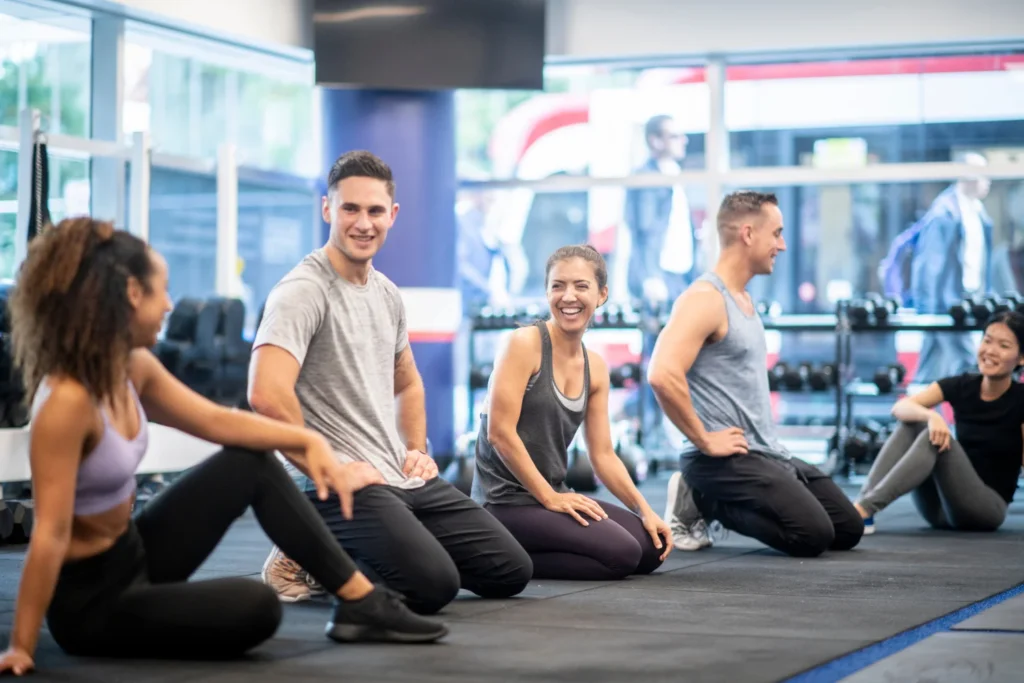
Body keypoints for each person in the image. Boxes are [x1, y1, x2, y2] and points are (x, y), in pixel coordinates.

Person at [0, 218, 448, 677]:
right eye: (162, 291)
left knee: (247, 463)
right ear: (132, 294)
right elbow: (50, 533)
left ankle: (361, 602)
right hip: (92, 603)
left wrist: (306, 439)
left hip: (134, 552)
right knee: (256, 606)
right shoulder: (66, 403)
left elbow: (220, 422)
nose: (170, 305)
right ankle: (352, 599)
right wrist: (21, 645)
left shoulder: (132, 367)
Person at [248, 150, 532, 615]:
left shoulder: (385, 293)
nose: (364, 223)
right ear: (327, 209)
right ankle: (305, 550)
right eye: (350, 209)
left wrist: (416, 450)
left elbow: (409, 384)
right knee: (432, 585)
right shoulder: (301, 292)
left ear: (392, 215)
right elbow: (265, 395)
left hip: (394, 473)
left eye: (375, 211)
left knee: (508, 570)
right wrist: (329, 468)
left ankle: (338, 550)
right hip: (334, 483)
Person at [649, 191, 865, 558]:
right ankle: (702, 501)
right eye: (776, 233)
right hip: (719, 460)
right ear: (748, 234)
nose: (781, 245)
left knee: (847, 528)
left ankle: (709, 495)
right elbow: (661, 372)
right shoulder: (705, 298)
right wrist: (703, 440)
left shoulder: (743, 298)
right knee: (812, 535)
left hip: (765, 450)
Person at [471, 245, 673, 581]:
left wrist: (645, 510)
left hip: (552, 493)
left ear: (602, 294)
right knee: (622, 555)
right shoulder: (524, 344)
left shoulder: (595, 366)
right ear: (547, 291)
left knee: (650, 548)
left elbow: (604, 455)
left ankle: (520, 547)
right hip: (504, 501)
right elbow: (499, 433)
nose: (568, 297)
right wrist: (549, 497)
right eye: (558, 286)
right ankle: (494, 556)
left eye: (581, 286)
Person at [854, 311, 1024, 534]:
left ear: (1021, 358)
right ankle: (860, 508)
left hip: (985, 509)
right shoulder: (963, 384)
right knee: (915, 423)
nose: (990, 351)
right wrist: (932, 416)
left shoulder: (1020, 399)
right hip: (940, 509)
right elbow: (900, 408)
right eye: (987, 340)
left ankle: (863, 510)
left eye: (1003, 345)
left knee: (935, 439)